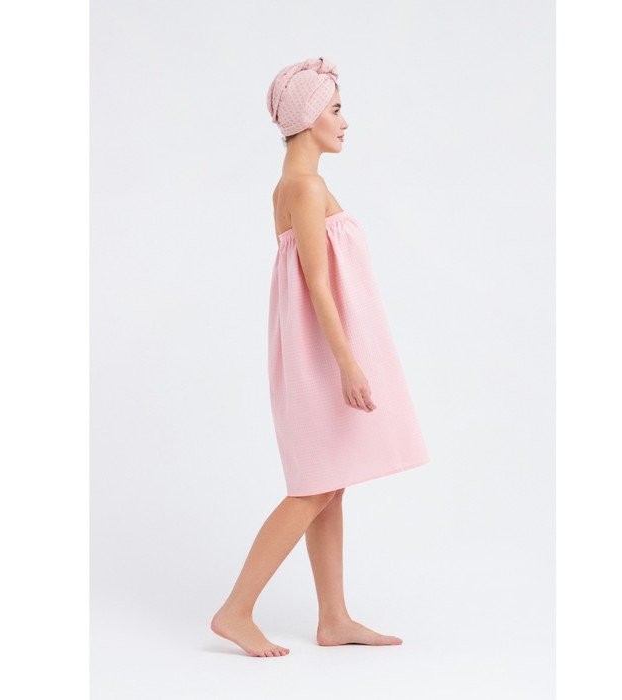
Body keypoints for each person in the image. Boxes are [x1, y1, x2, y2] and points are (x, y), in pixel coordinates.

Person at [210, 57, 430, 658]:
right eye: (335, 109)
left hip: (310, 351)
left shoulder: (296, 184)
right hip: (319, 357)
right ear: (308, 118)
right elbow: (316, 284)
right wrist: (349, 363)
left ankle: (333, 618)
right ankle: (235, 610)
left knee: (329, 486)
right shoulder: (304, 188)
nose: (345, 121)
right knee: (312, 488)